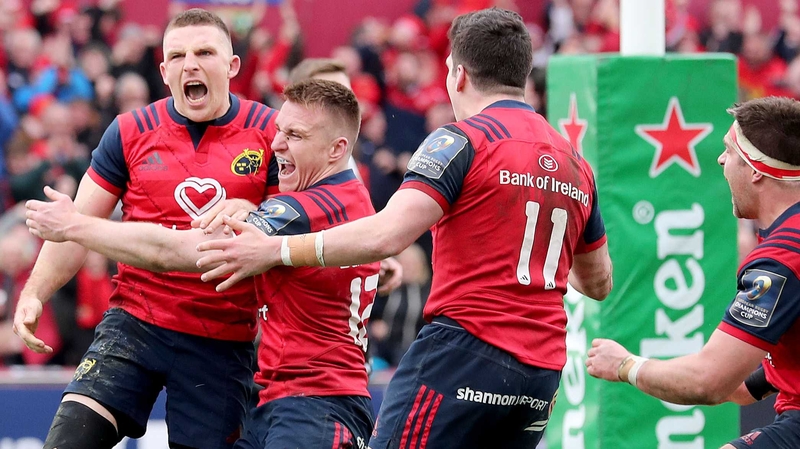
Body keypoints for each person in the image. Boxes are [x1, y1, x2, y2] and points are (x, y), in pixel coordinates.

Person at [194, 8, 613, 448]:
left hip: (464, 353)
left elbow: (386, 235)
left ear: (459, 74)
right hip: (540, 375)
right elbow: (598, 281)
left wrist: (276, 251)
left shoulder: (462, 140)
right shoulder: (576, 164)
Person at [27, 79, 381, 449]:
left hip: (315, 407)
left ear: (337, 149)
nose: (276, 144)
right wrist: (250, 209)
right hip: (281, 399)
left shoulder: (301, 209)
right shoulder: (346, 201)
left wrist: (76, 226)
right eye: (279, 131)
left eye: (294, 135)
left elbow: (178, 252)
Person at [14, 8, 281, 448]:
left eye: (204, 52)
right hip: (134, 324)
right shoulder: (129, 131)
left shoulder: (270, 133)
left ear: (232, 66)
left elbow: (283, 228)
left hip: (222, 338)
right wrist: (34, 293)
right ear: (163, 70)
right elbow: (76, 224)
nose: (189, 64)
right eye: (177, 56)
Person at [586, 96, 800, 449]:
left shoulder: (783, 255)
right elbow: (741, 386)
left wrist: (625, 365)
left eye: (729, 151)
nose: (720, 159)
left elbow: (707, 382)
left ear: (756, 169)